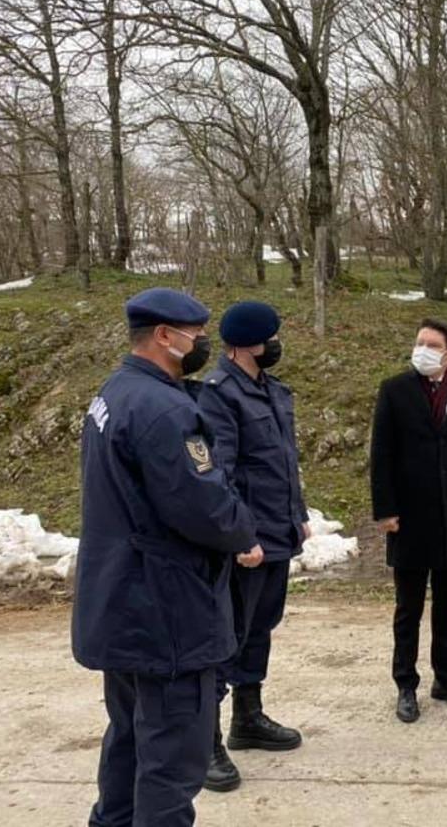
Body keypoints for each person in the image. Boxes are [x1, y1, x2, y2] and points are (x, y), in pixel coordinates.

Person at [73, 287, 259, 827]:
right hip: (166, 613)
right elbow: (203, 505)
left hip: (124, 604)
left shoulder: (115, 392)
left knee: (129, 742)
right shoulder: (164, 409)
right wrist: (244, 532)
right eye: (197, 335)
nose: (203, 344)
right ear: (164, 337)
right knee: (173, 761)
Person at [198, 301, 309, 793]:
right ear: (245, 345)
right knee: (228, 636)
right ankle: (205, 742)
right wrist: (240, 538)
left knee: (261, 628)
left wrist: (298, 516)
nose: (274, 347)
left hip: (278, 534)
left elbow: (283, 462)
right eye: (268, 339)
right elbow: (222, 473)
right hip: (249, 542)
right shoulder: (219, 396)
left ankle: (248, 718)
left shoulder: (272, 391)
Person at [369, 317, 447, 724]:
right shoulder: (394, 390)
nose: (422, 349)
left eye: (432, 344)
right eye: (419, 341)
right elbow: (382, 455)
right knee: (408, 608)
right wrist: (385, 509)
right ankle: (405, 685)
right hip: (408, 518)